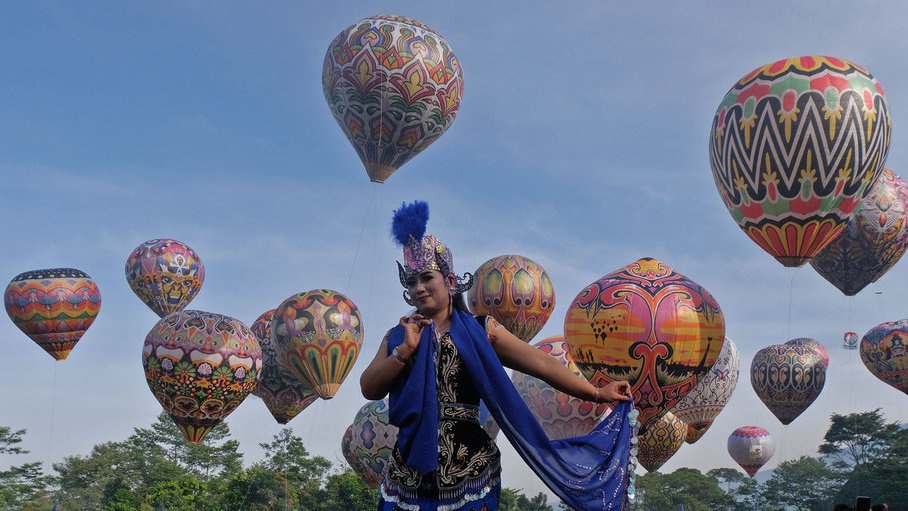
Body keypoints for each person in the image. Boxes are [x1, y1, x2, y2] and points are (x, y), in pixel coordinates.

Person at [361, 201, 636, 511]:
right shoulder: (398, 335)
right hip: (407, 473)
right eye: (411, 282)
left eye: (427, 277)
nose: (419, 287)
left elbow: (542, 363)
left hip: (470, 472)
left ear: (450, 282)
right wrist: (403, 352)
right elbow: (369, 388)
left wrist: (597, 393)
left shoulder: (482, 330)